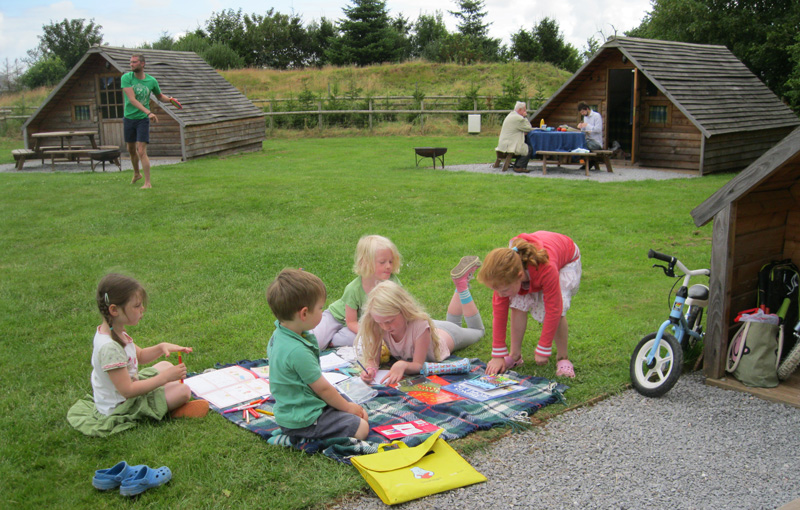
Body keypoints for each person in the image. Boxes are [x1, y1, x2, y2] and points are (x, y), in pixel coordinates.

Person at [67, 273, 208, 437]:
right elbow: (127, 391)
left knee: (166, 366)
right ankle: (169, 411)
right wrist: (164, 379)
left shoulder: (115, 330)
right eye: (136, 306)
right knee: (183, 391)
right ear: (114, 310)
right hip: (121, 406)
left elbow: (139, 355)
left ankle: (167, 403)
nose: (142, 310)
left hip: (130, 386)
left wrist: (161, 347)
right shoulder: (109, 348)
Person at [267, 268, 370, 441]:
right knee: (362, 427)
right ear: (304, 313)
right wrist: (347, 408)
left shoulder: (281, 333)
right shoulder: (297, 351)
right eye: (321, 308)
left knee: (359, 412)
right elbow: (322, 388)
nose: (323, 312)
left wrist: (347, 407)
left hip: (302, 405)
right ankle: (297, 438)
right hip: (304, 419)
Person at [358, 256, 485, 386]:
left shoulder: (420, 325)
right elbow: (373, 360)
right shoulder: (378, 324)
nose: (385, 327)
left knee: (478, 331)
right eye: (380, 322)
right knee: (455, 322)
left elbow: (418, 365)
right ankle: (460, 283)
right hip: (430, 330)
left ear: (403, 310)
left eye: (390, 321)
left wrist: (402, 364)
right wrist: (370, 369)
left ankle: (462, 286)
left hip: (448, 334)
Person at [478, 232, 582, 378]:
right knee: (517, 304)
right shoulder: (503, 276)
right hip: (531, 266)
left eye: (504, 290)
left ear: (520, 276)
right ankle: (514, 355)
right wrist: (498, 353)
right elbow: (499, 313)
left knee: (559, 310)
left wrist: (544, 347)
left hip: (566, 259)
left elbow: (554, 308)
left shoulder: (546, 268)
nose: (500, 294)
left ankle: (563, 358)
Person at [312, 235, 402, 350]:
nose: (388, 266)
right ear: (366, 263)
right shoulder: (354, 288)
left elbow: (402, 310)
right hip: (337, 317)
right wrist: (371, 333)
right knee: (315, 342)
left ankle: (335, 339)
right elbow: (351, 322)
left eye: (391, 261)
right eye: (382, 262)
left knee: (356, 339)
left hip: (362, 323)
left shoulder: (393, 282)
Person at [122, 53, 178, 189]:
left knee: (141, 150)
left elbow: (159, 96)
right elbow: (132, 100)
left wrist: (170, 99)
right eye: (131, 62)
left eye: (134, 62)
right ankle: (136, 174)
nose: (131, 64)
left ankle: (148, 183)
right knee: (131, 149)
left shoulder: (151, 81)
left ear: (142, 64)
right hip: (129, 118)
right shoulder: (126, 78)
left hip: (142, 120)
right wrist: (149, 112)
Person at [496, 101, 534, 173]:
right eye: (524, 110)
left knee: (524, 146)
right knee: (529, 148)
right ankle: (519, 166)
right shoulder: (519, 118)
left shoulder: (511, 115)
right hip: (510, 145)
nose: (525, 112)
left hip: (504, 144)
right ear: (520, 110)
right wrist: (525, 117)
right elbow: (529, 128)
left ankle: (518, 164)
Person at [577, 101, 603, 169]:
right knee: (579, 144)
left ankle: (589, 162)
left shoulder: (596, 116)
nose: (582, 114)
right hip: (588, 140)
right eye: (581, 113)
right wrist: (581, 127)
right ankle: (582, 162)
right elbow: (584, 131)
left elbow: (598, 129)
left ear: (587, 109)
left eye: (583, 112)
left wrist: (587, 125)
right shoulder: (585, 118)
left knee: (585, 145)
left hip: (596, 142)